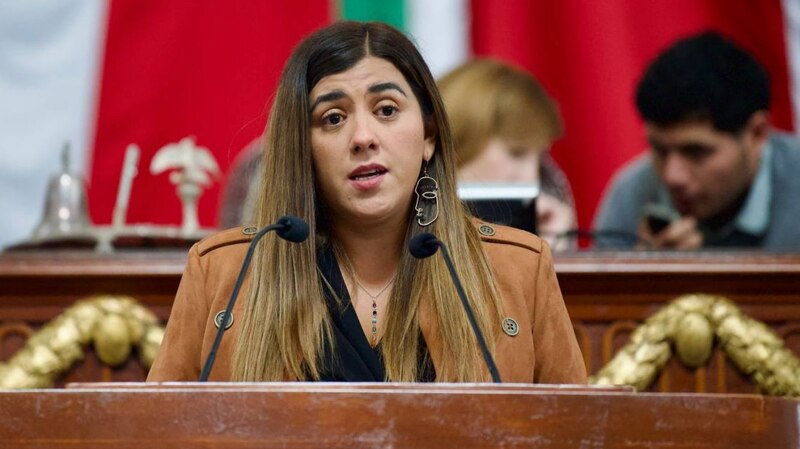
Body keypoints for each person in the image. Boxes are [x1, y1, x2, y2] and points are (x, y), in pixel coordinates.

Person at [148, 21, 585, 383]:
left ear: (429, 134)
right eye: (332, 118)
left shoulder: (520, 271)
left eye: (387, 110)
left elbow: (574, 433)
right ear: (303, 147)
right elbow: (160, 434)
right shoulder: (223, 274)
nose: (363, 138)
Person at [594, 31, 800, 250]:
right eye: (660, 150)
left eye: (696, 152)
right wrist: (642, 275)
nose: (672, 176)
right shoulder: (631, 195)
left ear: (757, 134)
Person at [438, 59, 577, 251]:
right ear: (459, 139)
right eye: (516, 153)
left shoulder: (548, 216)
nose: (532, 176)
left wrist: (552, 258)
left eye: (539, 159)